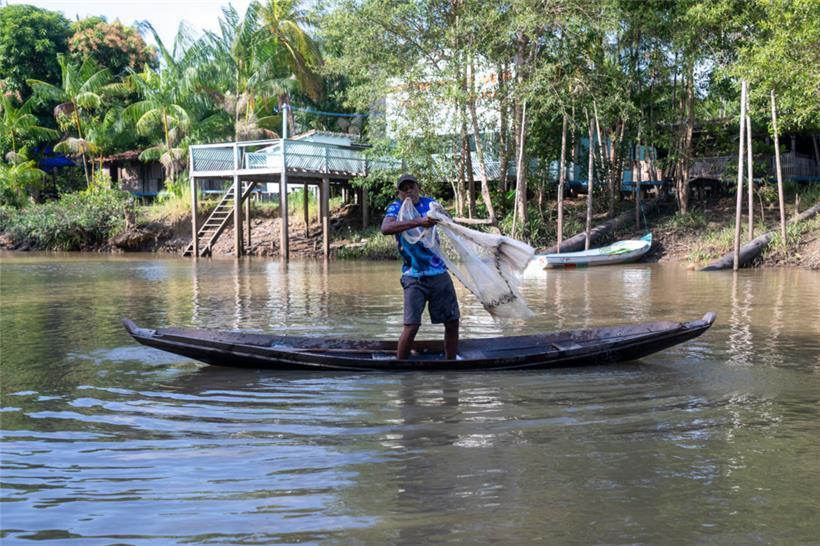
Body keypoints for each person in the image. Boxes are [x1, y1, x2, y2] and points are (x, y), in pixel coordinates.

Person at [380, 174, 460, 360]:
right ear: (399, 193)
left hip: (439, 272)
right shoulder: (396, 208)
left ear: (418, 188)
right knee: (411, 325)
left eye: (412, 187)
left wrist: (442, 215)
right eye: (404, 188)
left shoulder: (430, 204)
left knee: (452, 322)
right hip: (413, 276)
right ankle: (400, 366)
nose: (409, 191)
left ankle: (451, 363)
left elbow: (448, 220)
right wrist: (418, 222)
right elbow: (386, 228)